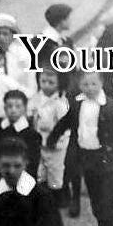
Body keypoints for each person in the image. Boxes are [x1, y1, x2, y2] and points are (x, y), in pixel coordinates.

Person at [46, 71, 113, 226]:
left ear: (102, 83)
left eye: (94, 84)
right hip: (87, 159)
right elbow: (65, 123)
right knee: (95, 202)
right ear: (79, 85)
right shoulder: (77, 104)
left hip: (108, 161)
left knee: (107, 202)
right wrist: (52, 138)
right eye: (85, 85)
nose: (90, 88)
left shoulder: (112, 107)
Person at [29, 70, 71, 208]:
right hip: (39, 142)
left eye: (51, 83)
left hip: (55, 145)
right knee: (40, 171)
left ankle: (56, 200)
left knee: (55, 172)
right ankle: (43, 199)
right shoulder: (36, 99)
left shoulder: (60, 103)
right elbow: (32, 115)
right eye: (43, 82)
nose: (46, 85)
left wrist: (55, 141)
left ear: (59, 84)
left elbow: (65, 126)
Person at [0, 13, 38, 98]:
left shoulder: (24, 55)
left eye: (5, 34)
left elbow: (32, 85)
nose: (1, 37)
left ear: (13, 35)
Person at [0, 90, 43, 178]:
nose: (13, 110)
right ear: (4, 108)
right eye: (9, 106)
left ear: (24, 108)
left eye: (18, 106)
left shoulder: (32, 134)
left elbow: (32, 163)